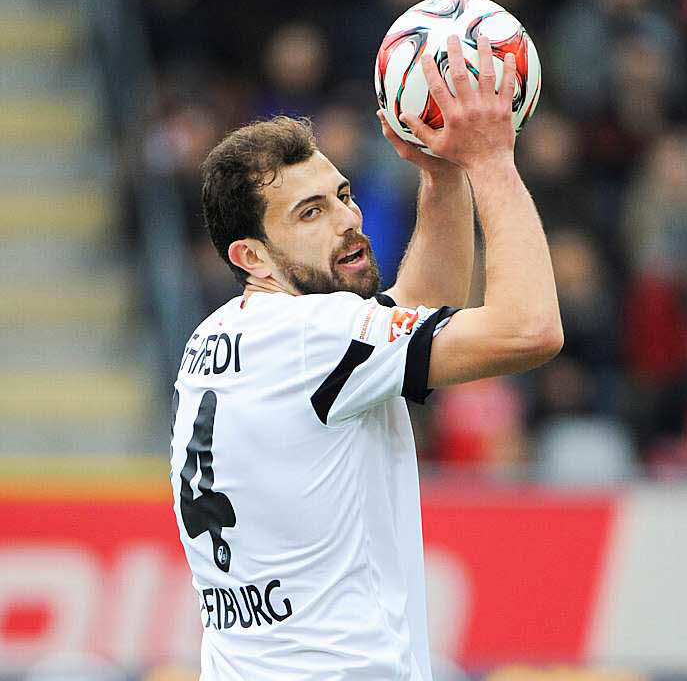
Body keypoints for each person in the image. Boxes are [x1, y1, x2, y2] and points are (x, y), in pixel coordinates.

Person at [169, 35, 563, 680]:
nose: (347, 220)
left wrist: (442, 173)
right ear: (252, 256)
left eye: (343, 195)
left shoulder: (216, 337)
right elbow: (530, 330)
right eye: (310, 213)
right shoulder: (313, 337)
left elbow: (419, 310)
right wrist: (491, 161)